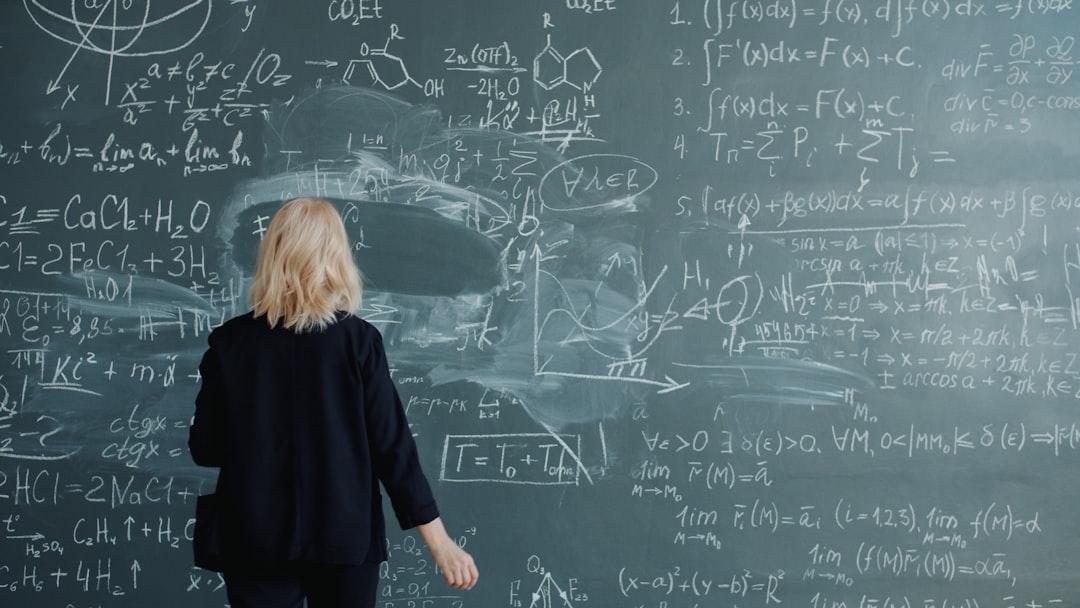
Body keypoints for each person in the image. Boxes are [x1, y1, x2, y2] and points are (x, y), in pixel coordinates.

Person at [189, 197, 478, 608]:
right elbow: (392, 448)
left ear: (272, 253)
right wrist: (440, 543)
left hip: (253, 537)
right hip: (345, 535)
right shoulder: (359, 342)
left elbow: (206, 448)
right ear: (335, 256)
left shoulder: (229, 343)